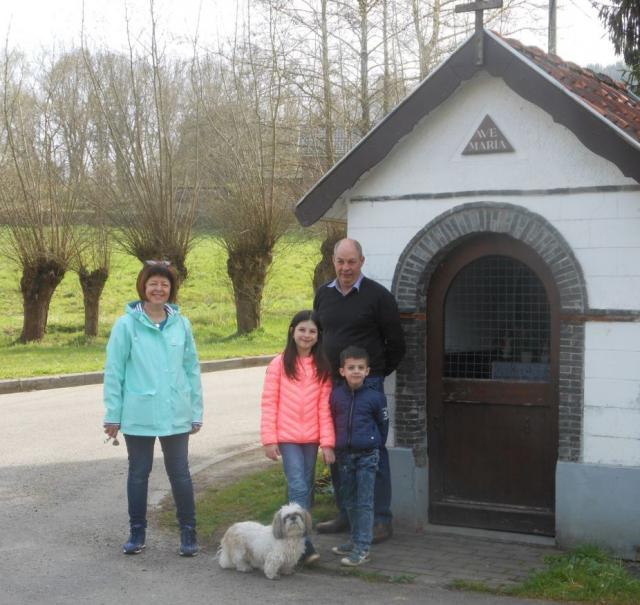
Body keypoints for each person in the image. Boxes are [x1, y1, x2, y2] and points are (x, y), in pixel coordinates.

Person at [103, 261, 203, 557]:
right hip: (139, 413)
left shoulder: (181, 324)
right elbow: (114, 371)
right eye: (153, 284)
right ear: (143, 287)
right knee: (138, 472)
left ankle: (188, 533)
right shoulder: (126, 325)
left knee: (180, 473)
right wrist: (113, 414)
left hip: (176, 413)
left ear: (171, 289)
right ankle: (137, 533)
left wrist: (196, 410)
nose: (158, 289)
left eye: (164, 284)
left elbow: (192, 369)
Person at [314, 238, 405, 543]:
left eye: (351, 262)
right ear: (333, 261)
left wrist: (375, 375)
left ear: (362, 262)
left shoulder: (378, 297)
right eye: (340, 261)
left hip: (369, 385)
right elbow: (319, 336)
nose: (345, 268)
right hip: (335, 385)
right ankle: (347, 514)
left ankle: (380, 520)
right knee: (340, 449)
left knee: (372, 451)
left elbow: (397, 344)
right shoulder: (323, 296)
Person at [260, 310, 335, 565]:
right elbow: (269, 403)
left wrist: (327, 442)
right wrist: (269, 439)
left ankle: (284, 537)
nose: (306, 335)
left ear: (318, 336)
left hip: (312, 439)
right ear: (292, 331)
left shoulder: (322, 367)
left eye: (312, 331)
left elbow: (325, 408)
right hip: (288, 437)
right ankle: (305, 545)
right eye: (302, 329)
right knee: (299, 486)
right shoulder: (279, 364)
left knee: (304, 488)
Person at [330, 346, 389, 567]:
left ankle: (363, 548)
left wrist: (374, 444)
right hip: (344, 457)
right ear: (342, 371)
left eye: (360, 368)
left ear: (367, 371)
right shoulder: (336, 396)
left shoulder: (376, 397)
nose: (356, 371)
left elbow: (383, 426)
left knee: (364, 503)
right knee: (350, 502)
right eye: (351, 367)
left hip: (367, 456)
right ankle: (354, 539)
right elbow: (333, 421)